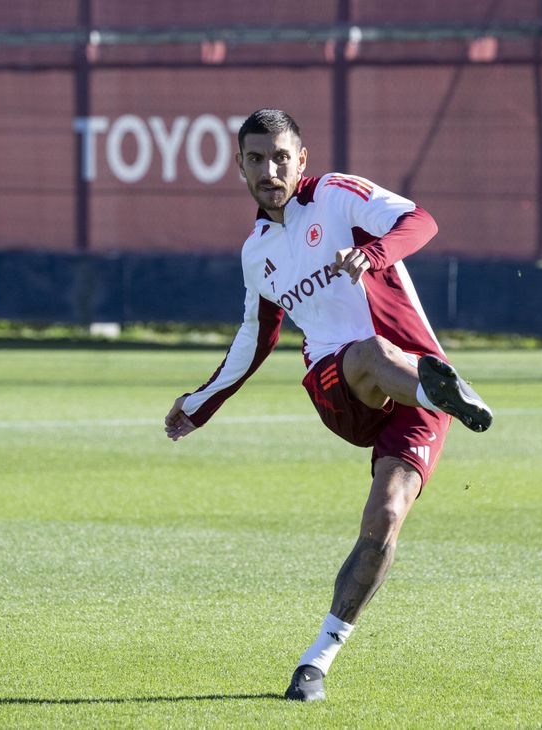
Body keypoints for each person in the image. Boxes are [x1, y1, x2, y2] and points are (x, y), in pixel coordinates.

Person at [163, 108, 492, 702]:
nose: (270, 170)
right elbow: (255, 339)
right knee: (371, 353)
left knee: (384, 519)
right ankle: (440, 392)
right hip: (339, 384)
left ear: (302, 160)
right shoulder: (256, 252)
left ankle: (316, 662)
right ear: (239, 166)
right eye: (256, 159)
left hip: (415, 382)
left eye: (280, 157)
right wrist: (201, 403)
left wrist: (376, 253)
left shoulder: (337, 195)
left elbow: (420, 221)